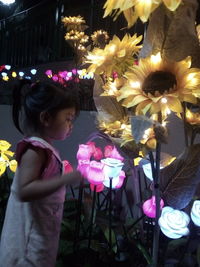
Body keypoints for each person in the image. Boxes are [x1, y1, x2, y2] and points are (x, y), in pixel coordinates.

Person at [0, 80, 82, 267]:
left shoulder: (45, 149)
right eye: (68, 118)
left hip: (41, 235)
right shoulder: (35, 150)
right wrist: (66, 179)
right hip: (26, 247)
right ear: (46, 118)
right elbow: (24, 191)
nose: (71, 125)